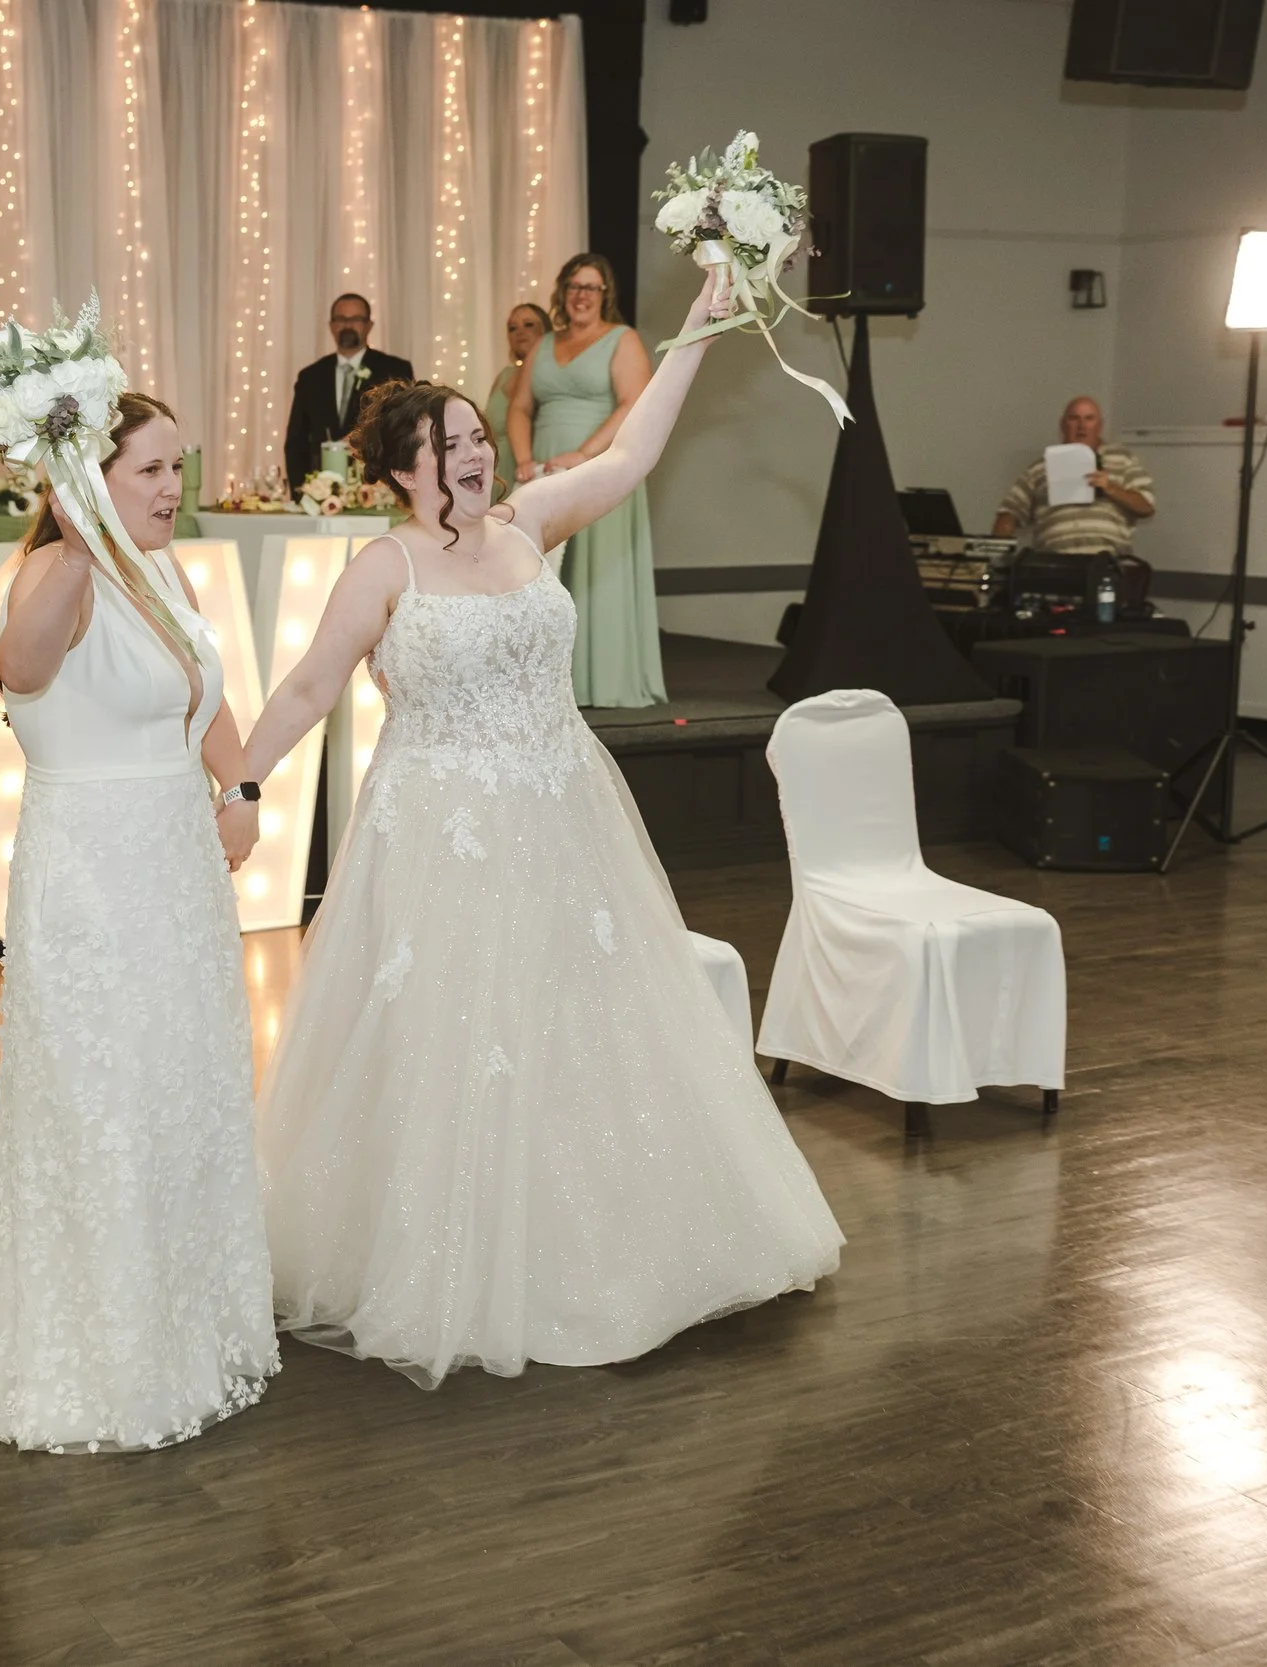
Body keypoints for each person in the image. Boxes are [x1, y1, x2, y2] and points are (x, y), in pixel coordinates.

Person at [236, 266, 843, 1390]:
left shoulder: (527, 520)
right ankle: (449, 1259)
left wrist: (696, 335)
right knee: (454, 1038)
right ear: (405, 467)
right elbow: (309, 688)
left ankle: (611, 1242)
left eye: (478, 432)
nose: (477, 451)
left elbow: (632, 453)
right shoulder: (385, 565)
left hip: (561, 811)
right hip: (440, 834)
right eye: (455, 440)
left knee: (583, 1024)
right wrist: (236, 782)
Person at [0, 393, 278, 1451]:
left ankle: (187, 1315)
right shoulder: (50, 575)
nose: (175, 488)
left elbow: (204, 696)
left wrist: (243, 787)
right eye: (150, 471)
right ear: (86, 482)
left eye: (179, 465)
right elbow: (22, 671)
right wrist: (76, 540)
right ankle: (106, 1348)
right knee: (101, 1096)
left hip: (177, 870)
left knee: (181, 1083)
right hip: (92, 872)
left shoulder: (164, 569)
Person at [509, 252, 665, 708]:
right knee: (543, 578)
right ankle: (546, 685)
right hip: (546, 474)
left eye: (591, 288)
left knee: (597, 571)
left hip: (600, 467)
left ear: (604, 294)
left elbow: (633, 403)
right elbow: (519, 407)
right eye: (574, 286)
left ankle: (600, 681)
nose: (581, 296)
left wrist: (583, 454)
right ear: (562, 292)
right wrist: (523, 458)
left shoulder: (622, 339)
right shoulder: (544, 345)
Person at [282, 292, 413, 498]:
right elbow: (296, 442)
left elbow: (403, 431)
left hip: (374, 490)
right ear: (331, 325)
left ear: (369, 325)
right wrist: (303, 495)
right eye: (341, 319)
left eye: (356, 319)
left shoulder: (395, 370)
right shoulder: (310, 376)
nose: (347, 325)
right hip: (320, 494)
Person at [992, 396, 1156, 555]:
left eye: (1089, 419)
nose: (1081, 425)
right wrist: (994, 556)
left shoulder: (1123, 459)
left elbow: (1146, 506)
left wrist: (1110, 488)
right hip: (1053, 564)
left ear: (1099, 426)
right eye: (1074, 418)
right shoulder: (1039, 468)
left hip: (1107, 561)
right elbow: (1010, 512)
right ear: (1063, 425)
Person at [484, 302, 550, 492]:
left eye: (529, 325)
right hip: (497, 477)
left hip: (535, 472)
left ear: (546, 330)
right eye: (512, 328)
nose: (520, 332)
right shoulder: (504, 375)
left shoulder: (552, 379)